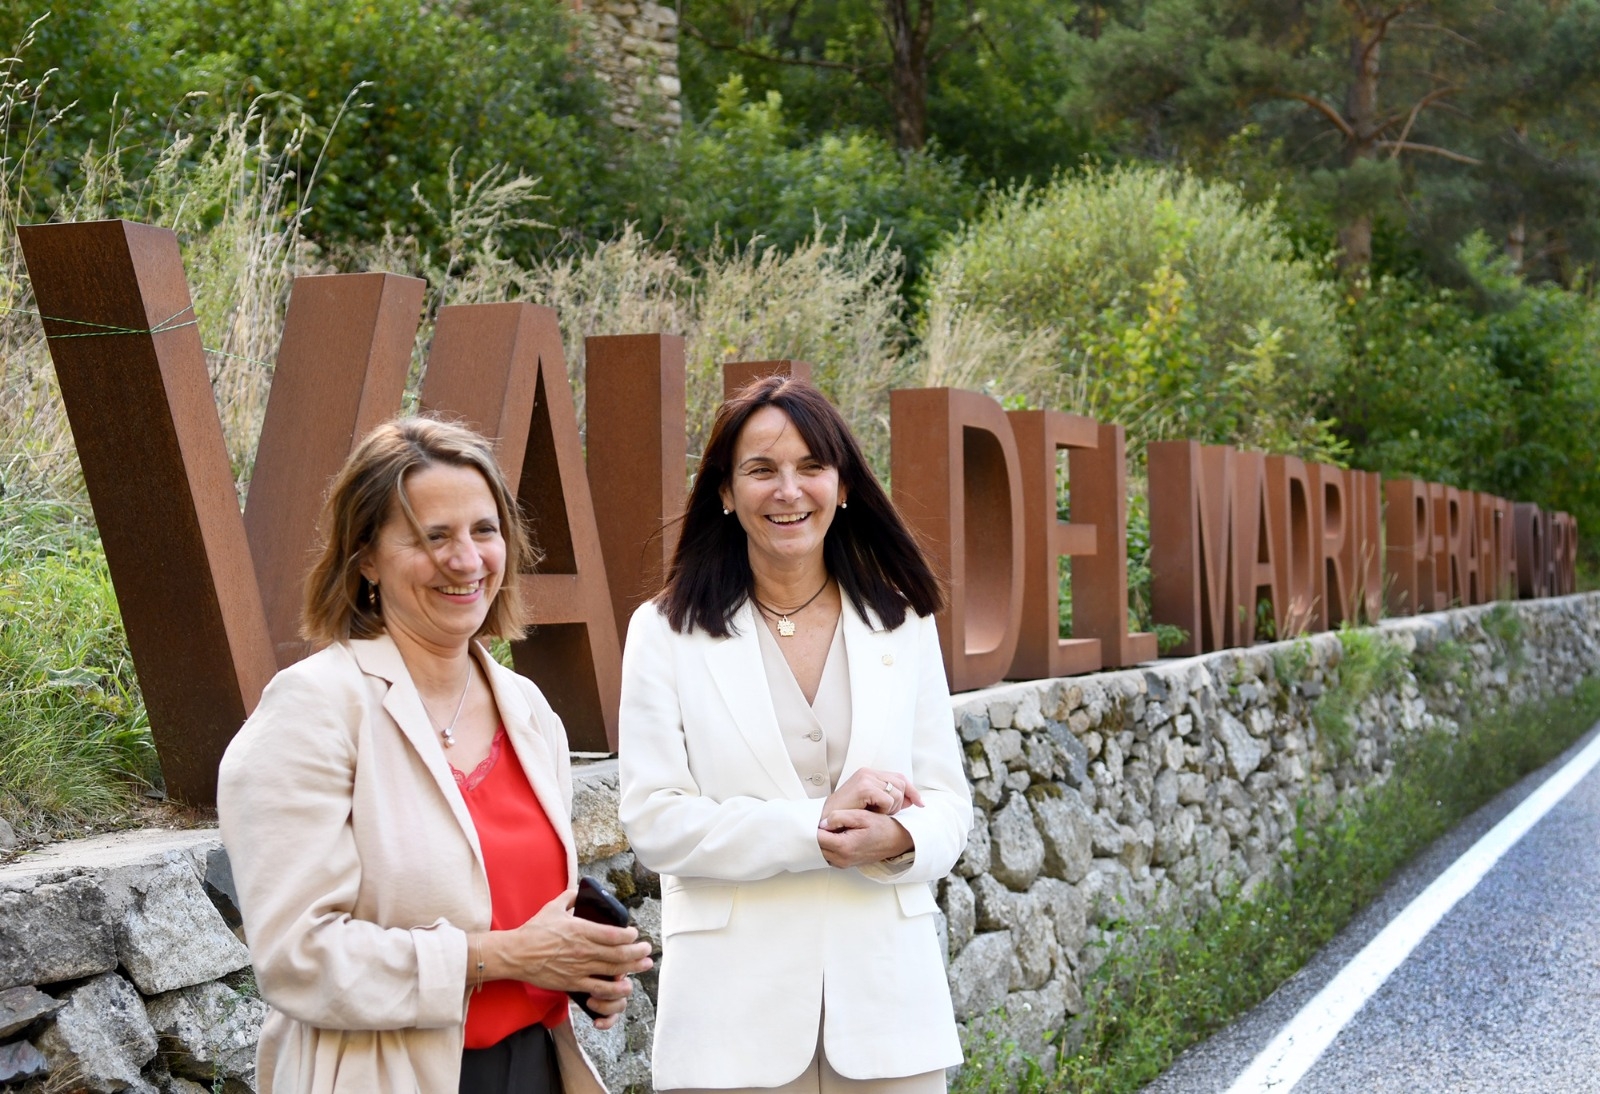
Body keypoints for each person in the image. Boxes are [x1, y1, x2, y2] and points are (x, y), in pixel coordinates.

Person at [218, 416, 653, 1094]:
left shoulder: (529, 709)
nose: (466, 560)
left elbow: (530, 912)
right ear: (365, 557)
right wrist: (507, 958)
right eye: (432, 537)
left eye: (484, 531)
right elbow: (297, 958)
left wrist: (580, 966)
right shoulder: (314, 710)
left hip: (538, 1069)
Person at [618, 376, 973, 1093]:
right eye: (761, 470)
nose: (789, 490)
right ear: (725, 490)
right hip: (728, 1024)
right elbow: (655, 822)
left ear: (842, 485)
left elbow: (948, 799)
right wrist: (814, 827)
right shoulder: (663, 632)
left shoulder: (901, 624)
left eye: (811, 466)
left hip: (888, 1017)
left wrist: (903, 839)